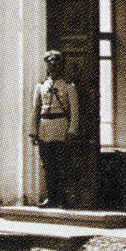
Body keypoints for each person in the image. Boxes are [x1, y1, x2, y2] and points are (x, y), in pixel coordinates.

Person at [29, 49, 80, 208]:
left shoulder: (68, 86)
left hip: (60, 127)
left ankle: (63, 198)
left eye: (56, 64)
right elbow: (35, 110)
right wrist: (33, 131)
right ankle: (51, 198)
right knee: (47, 166)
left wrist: (72, 130)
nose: (53, 67)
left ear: (61, 66)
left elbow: (74, 111)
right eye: (50, 64)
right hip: (44, 128)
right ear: (47, 66)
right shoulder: (41, 86)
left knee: (62, 165)